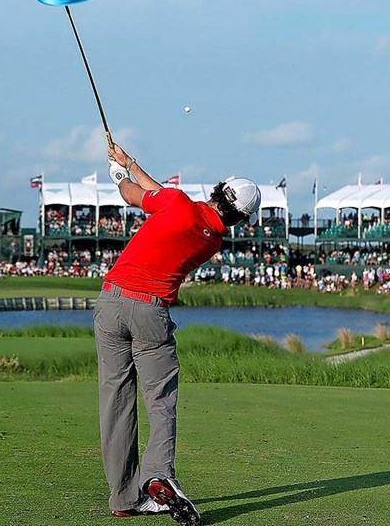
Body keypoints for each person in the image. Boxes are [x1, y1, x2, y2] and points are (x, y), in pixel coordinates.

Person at [94, 143, 261, 523]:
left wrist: (118, 175)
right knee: (160, 401)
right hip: (151, 312)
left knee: (116, 402)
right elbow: (157, 195)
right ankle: (158, 475)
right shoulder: (212, 240)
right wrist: (130, 163)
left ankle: (123, 498)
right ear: (239, 218)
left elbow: (134, 196)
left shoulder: (179, 203)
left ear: (218, 190)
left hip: (110, 302)